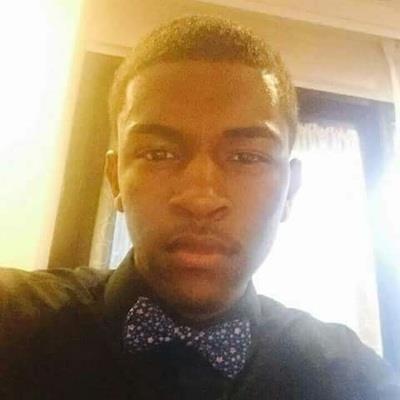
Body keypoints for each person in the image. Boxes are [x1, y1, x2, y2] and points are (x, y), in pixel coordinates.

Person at [0, 15, 399, 400]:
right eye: (158, 154)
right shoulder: (11, 321)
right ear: (115, 178)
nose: (201, 199)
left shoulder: (352, 379)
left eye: (246, 157)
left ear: (290, 191)